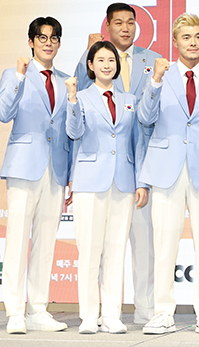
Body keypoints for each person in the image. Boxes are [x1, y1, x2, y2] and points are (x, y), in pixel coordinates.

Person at [138, 14, 199, 336]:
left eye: (197, 37)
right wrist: (155, 81)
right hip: (166, 169)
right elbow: (145, 118)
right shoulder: (158, 76)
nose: (193, 43)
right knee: (164, 243)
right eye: (186, 37)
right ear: (175, 41)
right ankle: (162, 312)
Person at [74, 2, 159, 323]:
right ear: (107, 27)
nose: (125, 28)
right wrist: (88, 53)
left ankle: (143, 308)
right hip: (96, 173)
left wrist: (143, 178)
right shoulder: (90, 61)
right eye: (118, 22)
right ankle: (93, 314)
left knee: (141, 244)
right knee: (94, 247)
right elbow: (78, 110)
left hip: (139, 167)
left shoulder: (153, 61)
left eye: (130, 22)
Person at [65, 41, 149, 334]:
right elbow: (74, 132)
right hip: (90, 182)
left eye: (111, 60)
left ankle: (112, 314)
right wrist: (72, 100)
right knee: (89, 251)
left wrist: (140, 182)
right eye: (100, 60)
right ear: (90, 65)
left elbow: (137, 142)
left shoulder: (129, 99)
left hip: (123, 182)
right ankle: (89, 315)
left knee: (116, 251)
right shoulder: (81, 97)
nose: (106, 65)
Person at [0, 17, 71, 334]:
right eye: (42, 37)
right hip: (24, 166)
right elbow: (3, 113)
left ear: (59, 43)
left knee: (45, 242)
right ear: (31, 41)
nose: (48, 43)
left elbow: (69, 129)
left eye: (54, 38)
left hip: (56, 169)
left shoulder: (67, 80)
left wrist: (71, 174)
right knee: (17, 239)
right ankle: (15, 311)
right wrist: (19, 76)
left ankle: (38, 309)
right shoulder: (15, 75)